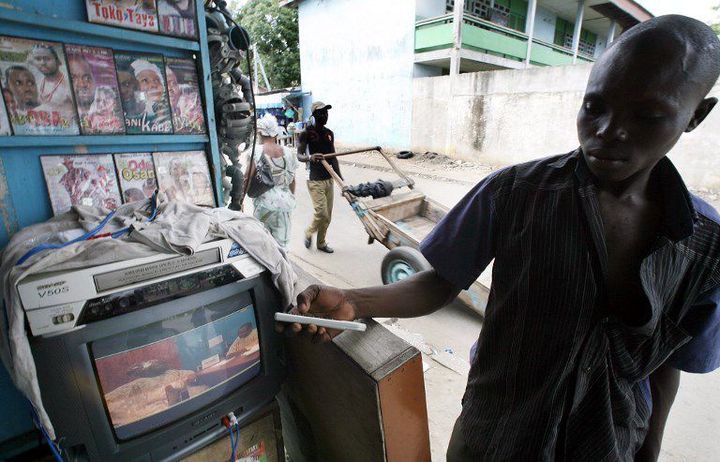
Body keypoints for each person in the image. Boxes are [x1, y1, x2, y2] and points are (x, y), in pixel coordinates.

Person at [279, 15, 720, 461]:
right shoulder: (513, 194)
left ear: (696, 115)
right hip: (492, 439)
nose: (609, 131)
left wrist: (648, 453)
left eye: (647, 115)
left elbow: (666, 367)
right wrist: (356, 302)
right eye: (594, 106)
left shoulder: (705, 247)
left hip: (609, 447)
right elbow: (438, 284)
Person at [246, 114, 298, 250]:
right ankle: (281, 269)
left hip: (263, 204)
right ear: (275, 133)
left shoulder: (255, 151)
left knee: (262, 244)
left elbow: (247, 177)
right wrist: (290, 196)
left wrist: (239, 201)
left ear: (260, 133)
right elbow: (292, 181)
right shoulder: (288, 152)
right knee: (282, 246)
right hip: (284, 207)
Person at [297, 101, 341, 253]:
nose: (325, 115)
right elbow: (299, 155)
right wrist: (310, 157)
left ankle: (321, 243)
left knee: (327, 216)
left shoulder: (329, 133)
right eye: (321, 113)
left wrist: (340, 180)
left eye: (326, 112)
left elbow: (334, 158)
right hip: (315, 179)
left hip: (328, 179)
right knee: (321, 212)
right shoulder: (306, 133)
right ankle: (309, 232)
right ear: (314, 115)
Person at [28, 44, 72, 111]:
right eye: (38, 59)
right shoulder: (37, 83)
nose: (42, 63)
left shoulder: (69, 83)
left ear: (58, 61)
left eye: (47, 59)